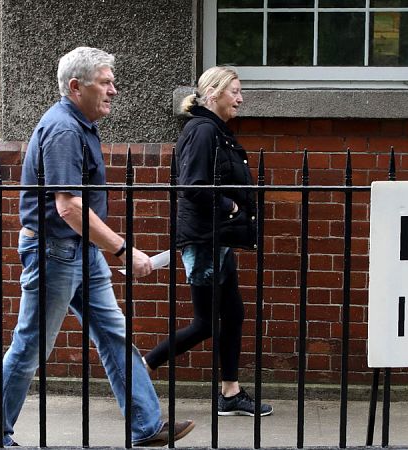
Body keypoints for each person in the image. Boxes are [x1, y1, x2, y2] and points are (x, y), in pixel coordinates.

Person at [0, 47, 194, 447]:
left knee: (114, 334)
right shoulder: (64, 130)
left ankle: (146, 426)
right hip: (55, 253)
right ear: (76, 86)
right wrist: (123, 250)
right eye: (105, 82)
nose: (114, 90)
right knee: (29, 349)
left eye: (112, 81)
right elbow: (69, 207)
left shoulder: (80, 125)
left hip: (79, 252)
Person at [143, 66, 272, 417]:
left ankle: (230, 392)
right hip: (206, 239)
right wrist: (229, 205)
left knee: (233, 314)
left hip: (218, 238)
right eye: (235, 91)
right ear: (213, 93)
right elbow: (193, 186)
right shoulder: (201, 131)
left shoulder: (215, 130)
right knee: (206, 323)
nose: (241, 98)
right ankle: (142, 367)